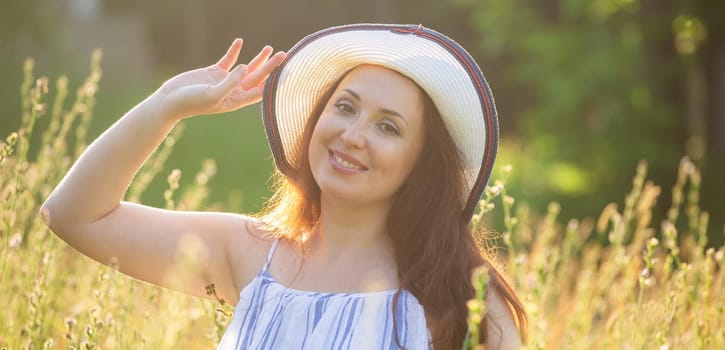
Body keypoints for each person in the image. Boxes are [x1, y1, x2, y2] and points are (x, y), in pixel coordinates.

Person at [41, 23, 527, 349]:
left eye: (389, 127)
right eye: (345, 106)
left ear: (422, 165)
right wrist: (166, 105)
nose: (352, 135)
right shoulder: (251, 255)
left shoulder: (464, 296)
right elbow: (73, 215)